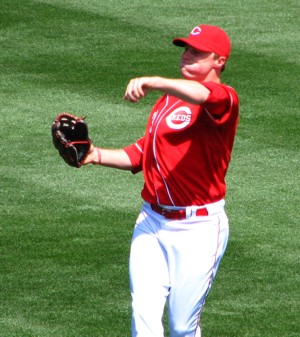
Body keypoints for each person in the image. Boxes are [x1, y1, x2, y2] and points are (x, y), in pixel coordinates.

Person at [84, 23, 239, 337]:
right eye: (185, 49)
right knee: (144, 317)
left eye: (197, 52)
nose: (187, 56)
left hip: (198, 229)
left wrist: (154, 81)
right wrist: (94, 154)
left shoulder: (224, 100)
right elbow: (143, 151)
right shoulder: (167, 102)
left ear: (218, 61)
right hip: (151, 222)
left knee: (182, 327)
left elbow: (203, 93)